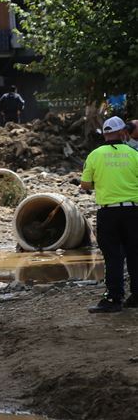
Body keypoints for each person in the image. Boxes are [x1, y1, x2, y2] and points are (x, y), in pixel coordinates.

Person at [79, 116, 138, 313]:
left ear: (104, 134)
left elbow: (85, 185)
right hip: (133, 211)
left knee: (113, 256)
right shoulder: (133, 153)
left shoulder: (95, 155)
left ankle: (114, 299)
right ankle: (136, 296)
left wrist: (101, 182)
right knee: (134, 254)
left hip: (109, 213)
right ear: (123, 133)